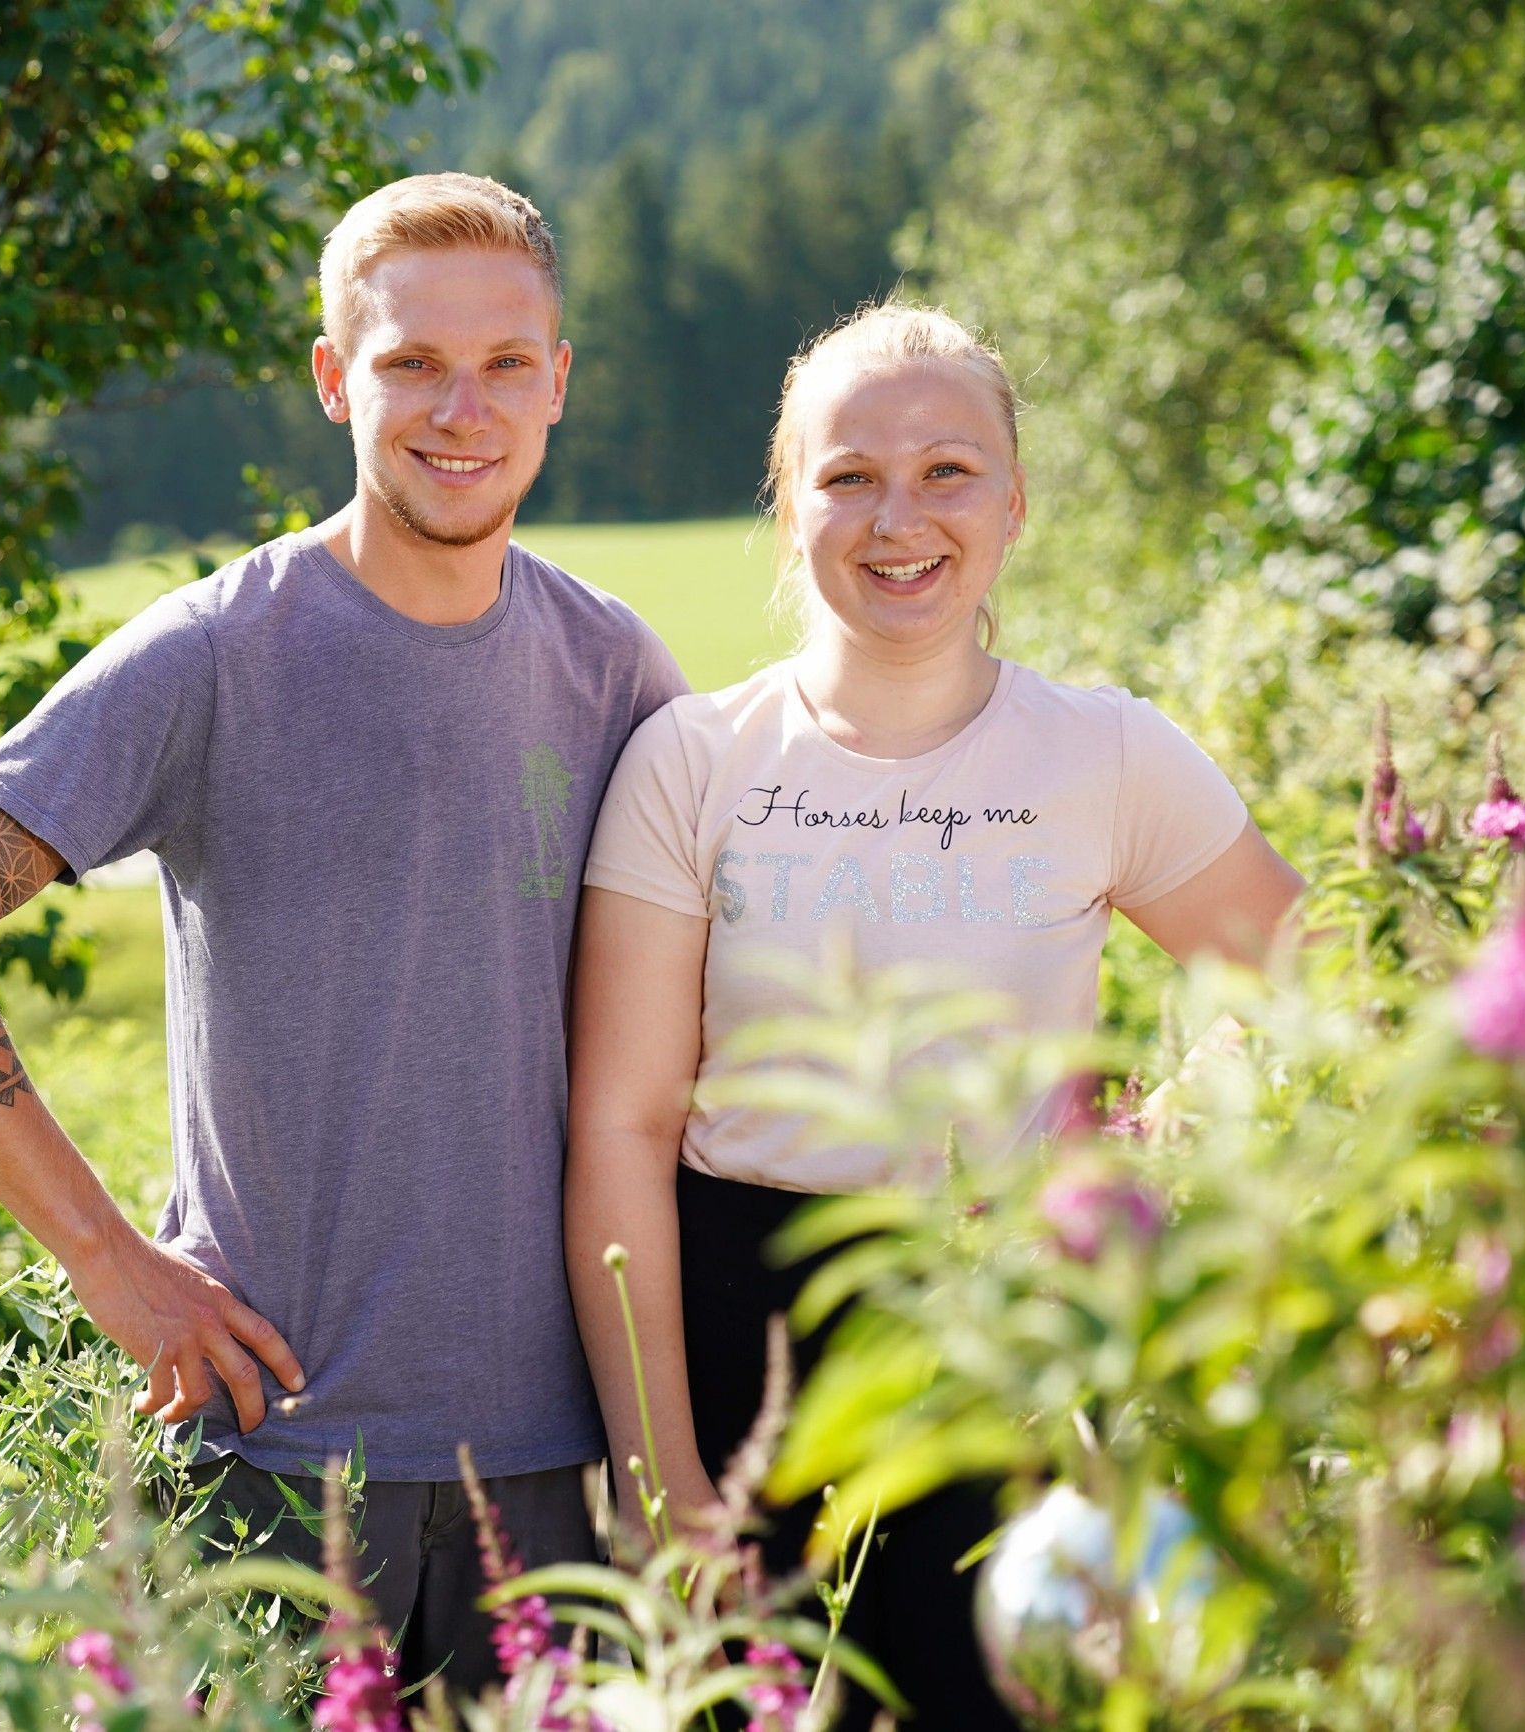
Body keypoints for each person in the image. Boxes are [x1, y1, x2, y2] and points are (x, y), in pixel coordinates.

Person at [0, 172, 686, 1694]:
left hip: (564, 1473)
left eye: (501, 365)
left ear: (557, 386)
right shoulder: (218, 652)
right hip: (270, 1467)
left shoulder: (611, 667)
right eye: (411, 360)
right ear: (335, 378)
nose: (457, 407)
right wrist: (107, 1262)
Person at [565, 302, 1303, 1730]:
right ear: (787, 512)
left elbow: (1303, 979)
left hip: (1003, 1340)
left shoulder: (1107, 753)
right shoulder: (690, 760)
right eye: (845, 476)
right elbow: (619, 1125)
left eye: (947, 470)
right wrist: (659, 1488)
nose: (897, 516)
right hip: (735, 1338)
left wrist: (1155, 1152)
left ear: (1013, 505)